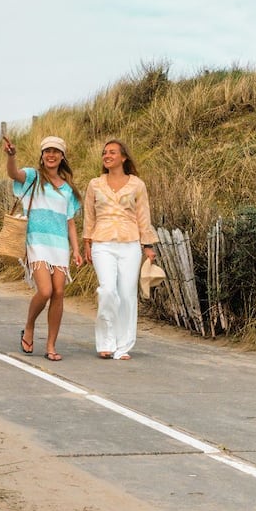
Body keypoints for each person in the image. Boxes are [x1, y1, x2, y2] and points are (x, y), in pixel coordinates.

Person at [4, 134, 81, 361]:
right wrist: (12, 156)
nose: (51, 155)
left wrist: (75, 249)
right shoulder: (32, 177)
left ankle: (51, 346)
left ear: (62, 157)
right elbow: (12, 173)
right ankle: (29, 326)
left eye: (56, 151)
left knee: (59, 292)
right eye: (47, 151)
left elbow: (70, 222)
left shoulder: (68, 190)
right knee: (45, 291)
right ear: (42, 155)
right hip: (36, 243)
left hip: (59, 246)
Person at [80, 140, 157, 360]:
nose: (107, 155)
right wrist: (87, 242)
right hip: (102, 243)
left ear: (123, 157)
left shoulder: (137, 185)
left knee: (127, 295)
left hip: (130, 243)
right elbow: (89, 215)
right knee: (107, 291)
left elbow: (143, 216)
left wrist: (147, 246)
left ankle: (122, 346)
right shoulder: (95, 184)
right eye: (105, 152)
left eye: (112, 152)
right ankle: (106, 342)